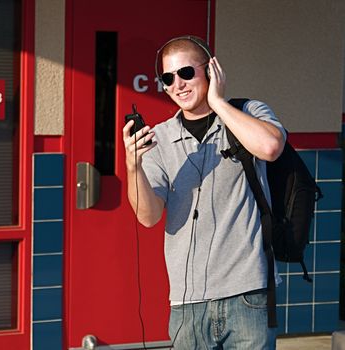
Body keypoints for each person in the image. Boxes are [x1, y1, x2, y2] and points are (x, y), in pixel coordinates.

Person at [122, 36, 286, 349]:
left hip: (248, 293)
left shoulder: (247, 112)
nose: (178, 85)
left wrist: (219, 103)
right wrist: (134, 167)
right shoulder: (159, 138)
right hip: (188, 301)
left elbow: (270, 147)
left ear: (211, 71)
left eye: (186, 73)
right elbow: (148, 216)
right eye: (168, 78)